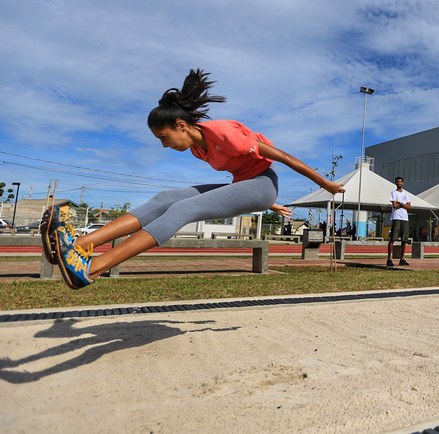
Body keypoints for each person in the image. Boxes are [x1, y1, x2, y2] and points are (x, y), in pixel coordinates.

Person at [49, 69, 345, 289]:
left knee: (183, 209)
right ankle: (79, 246)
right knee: (166, 198)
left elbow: (284, 157)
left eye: (164, 138)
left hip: (262, 184)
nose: (164, 145)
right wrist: (274, 206)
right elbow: (234, 190)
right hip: (247, 186)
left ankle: (94, 268)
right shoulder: (197, 149)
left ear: (181, 125)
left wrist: (326, 184)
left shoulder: (226, 135)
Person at [387, 176, 411, 267]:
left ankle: (402, 259)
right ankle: (389, 259)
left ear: (403, 183)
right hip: (396, 217)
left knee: (404, 240)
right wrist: (403, 204)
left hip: (405, 218)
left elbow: (409, 207)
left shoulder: (406, 194)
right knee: (393, 238)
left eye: (400, 181)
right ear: (395, 183)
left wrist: (400, 203)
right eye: (397, 182)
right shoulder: (393, 193)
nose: (399, 183)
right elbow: (394, 205)